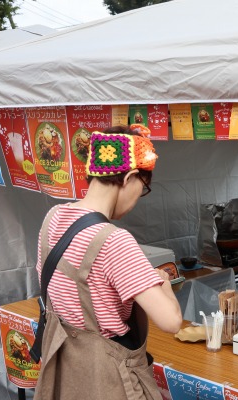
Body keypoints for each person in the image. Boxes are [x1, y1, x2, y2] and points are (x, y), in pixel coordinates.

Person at [33, 126, 182, 400]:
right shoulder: (114, 241)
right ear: (129, 177)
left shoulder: (52, 218)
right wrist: (164, 286)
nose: (138, 199)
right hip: (108, 379)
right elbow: (171, 322)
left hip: (65, 372)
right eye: (142, 188)